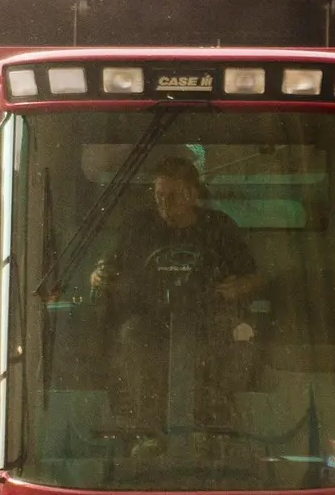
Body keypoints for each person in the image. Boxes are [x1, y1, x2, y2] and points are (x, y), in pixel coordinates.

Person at [88, 156, 260, 447]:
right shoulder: (137, 227)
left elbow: (254, 277)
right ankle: (146, 432)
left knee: (224, 340)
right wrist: (97, 276)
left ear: (193, 195)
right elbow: (106, 269)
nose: (163, 204)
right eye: (158, 196)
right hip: (148, 320)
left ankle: (211, 430)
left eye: (172, 196)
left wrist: (239, 287)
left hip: (209, 317)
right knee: (131, 336)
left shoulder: (219, 227)